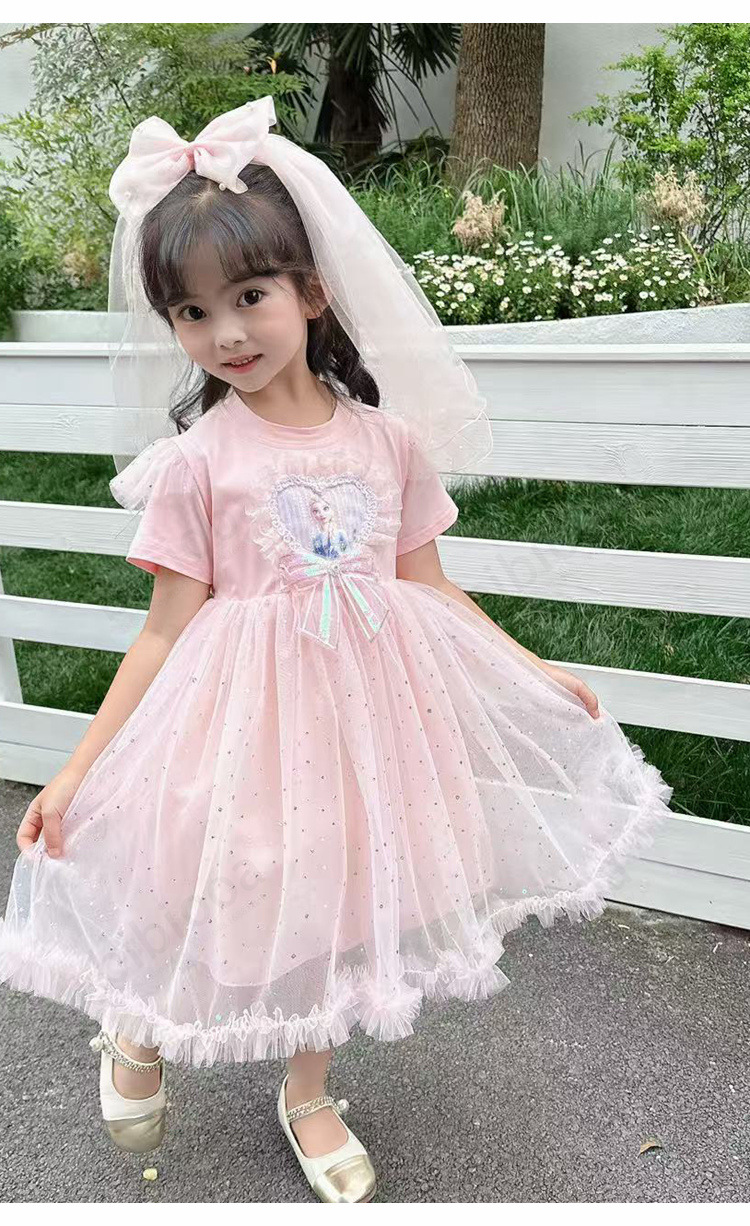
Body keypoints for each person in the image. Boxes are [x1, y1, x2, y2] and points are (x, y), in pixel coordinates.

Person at [0, 97, 674, 1204]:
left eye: (249, 296)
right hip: (236, 721)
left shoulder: (386, 443)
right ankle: (140, 1021)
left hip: (368, 723)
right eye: (192, 311)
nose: (226, 333)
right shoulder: (198, 463)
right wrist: (76, 770)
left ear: (311, 293)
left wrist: (532, 669)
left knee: (349, 895)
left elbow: (427, 583)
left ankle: (308, 1090)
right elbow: (165, 626)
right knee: (209, 880)